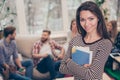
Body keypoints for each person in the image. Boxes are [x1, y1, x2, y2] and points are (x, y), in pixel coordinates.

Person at [59, 1, 112, 80]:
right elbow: (62, 68)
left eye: (91, 19)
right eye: (82, 20)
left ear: (98, 18)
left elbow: (92, 76)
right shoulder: (76, 39)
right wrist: (83, 69)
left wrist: (69, 62)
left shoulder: (105, 43)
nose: (87, 24)